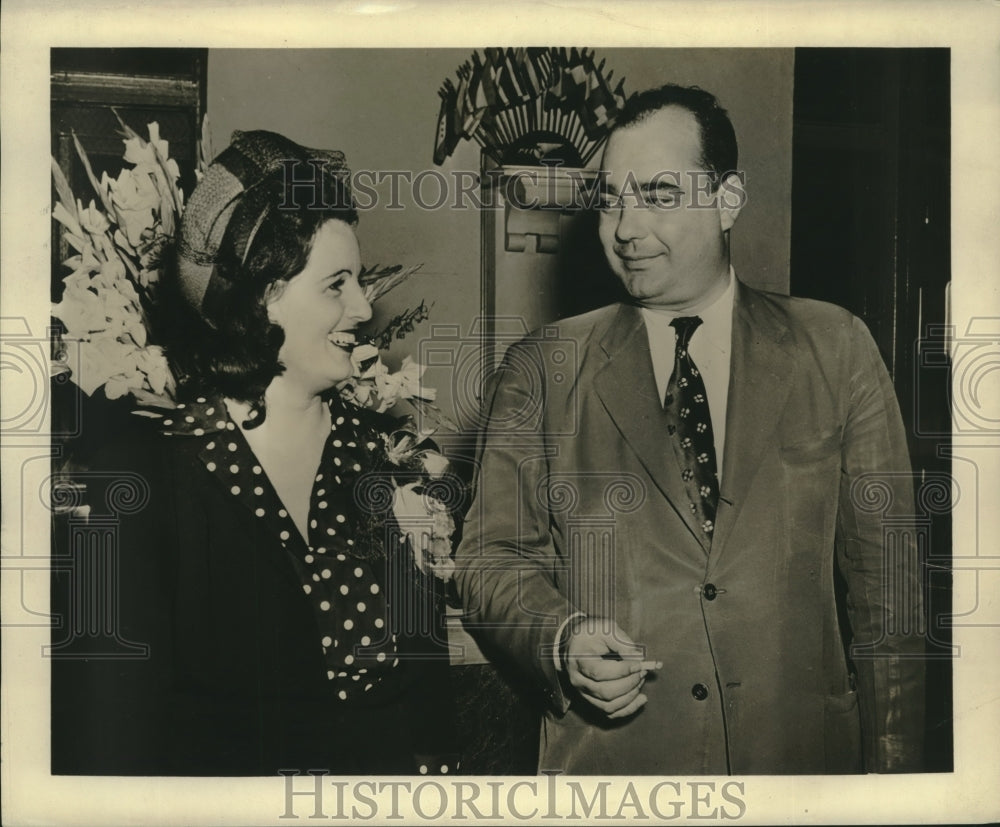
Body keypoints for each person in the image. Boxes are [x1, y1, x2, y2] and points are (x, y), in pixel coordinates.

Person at [455, 84, 926, 775]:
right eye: (612, 199)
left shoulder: (836, 348)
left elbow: (891, 595)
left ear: (728, 199)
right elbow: (490, 558)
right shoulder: (542, 368)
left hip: (798, 770)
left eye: (659, 195)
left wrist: (898, 787)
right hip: (616, 776)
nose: (625, 227)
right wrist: (561, 636)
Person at [51, 130, 456, 776]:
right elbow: (113, 745)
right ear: (262, 296)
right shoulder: (140, 478)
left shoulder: (377, 454)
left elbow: (422, 692)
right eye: (336, 285)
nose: (363, 303)